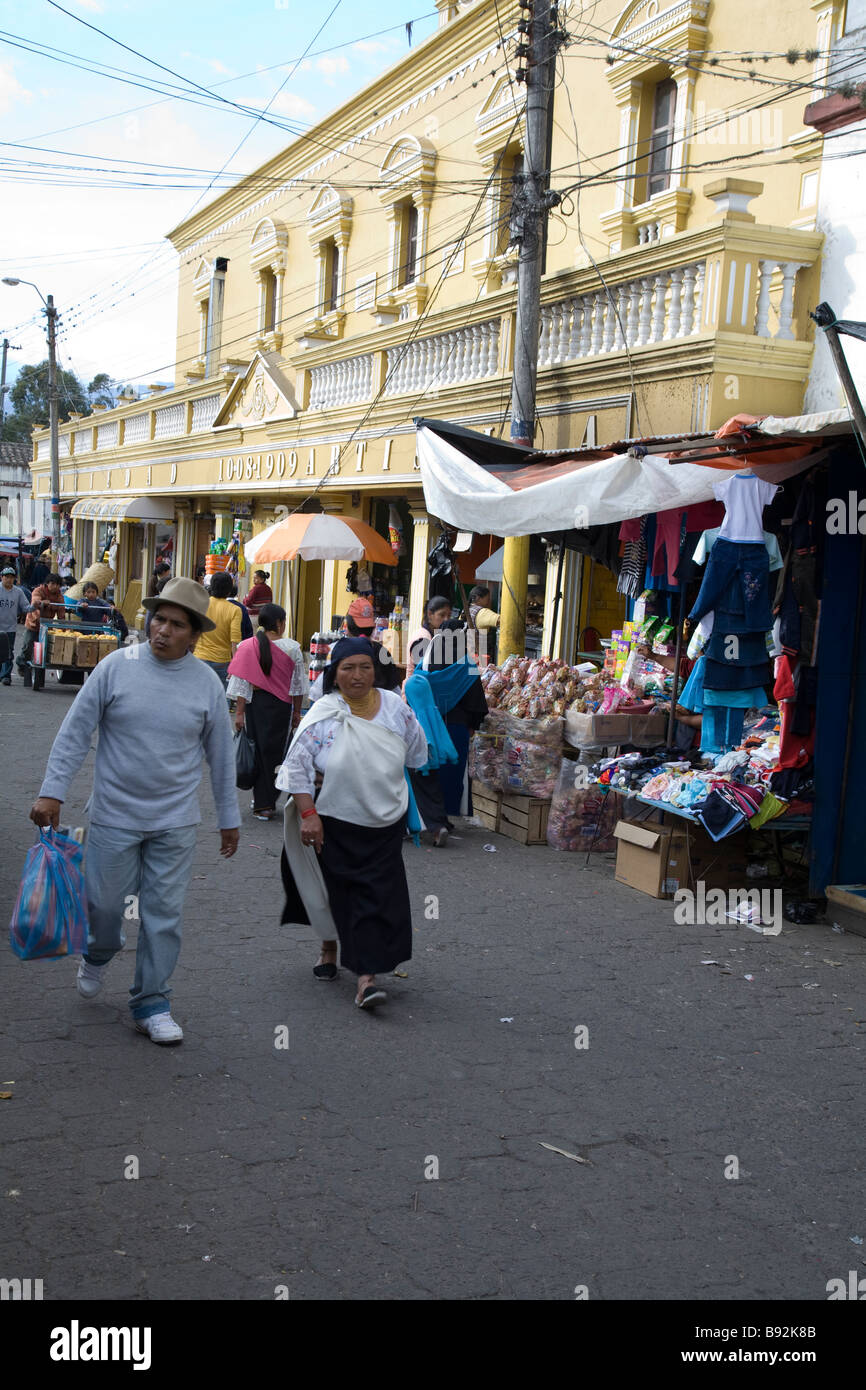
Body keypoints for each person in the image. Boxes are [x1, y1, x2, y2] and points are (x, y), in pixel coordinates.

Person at [29, 577, 240, 1045]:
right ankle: (100, 951)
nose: (163, 630)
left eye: (176, 624)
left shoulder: (207, 683)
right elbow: (74, 732)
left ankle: (152, 1003)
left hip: (175, 821)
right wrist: (52, 792)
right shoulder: (115, 668)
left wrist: (230, 817)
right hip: (113, 815)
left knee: (163, 914)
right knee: (104, 908)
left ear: (195, 633)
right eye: (158, 619)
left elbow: (222, 756)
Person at [276, 636, 427, 1010]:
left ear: (376, 670)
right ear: (334, 674)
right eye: (348, 668)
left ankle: (366, 977)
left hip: (384, 822)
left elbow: (416, 753)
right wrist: (308, 815)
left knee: (377, 899)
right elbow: (295, 767)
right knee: (336, 894)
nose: (357, 675)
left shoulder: (395, 707)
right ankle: (329, 947)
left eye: (365, 667)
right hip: (334, 824)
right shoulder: (324, 714)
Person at [228, 603, 308, 821]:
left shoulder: (247, 646)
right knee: (274, 754)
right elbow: (298, 686)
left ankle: (262, 801)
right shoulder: (292, 648)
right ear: (280, 623)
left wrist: (240, 713)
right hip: (280, 708)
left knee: (257, 752)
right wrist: (296, 712)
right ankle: (266, 802)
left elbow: (242, 683)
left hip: (255, 706)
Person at [405, 623, 487, 832]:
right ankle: (445, 818)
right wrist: (472, 726)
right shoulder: (467, 664)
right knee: (452, 775)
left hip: (428, 728)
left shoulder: (425, 663)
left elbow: (414, 691)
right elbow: (477, 702)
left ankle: (431, 818)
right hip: (457, 729)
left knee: (430, 773)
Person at [306, 595, 403, 702]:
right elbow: (396, 693)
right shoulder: (382, 652)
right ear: (372, 627)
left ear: (348, 625)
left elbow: (317, 695)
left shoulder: (338, 650)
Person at [193, 569, 242, 687]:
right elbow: (234, 639)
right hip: (222, 661)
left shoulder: (201, 604)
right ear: (229, 589)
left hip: (199, 657)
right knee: (222, 700)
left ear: (212, 586)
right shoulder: (234, 610)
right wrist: (234, 665)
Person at [16, 572, 66, 676]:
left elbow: (61, 612)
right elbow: (35, 601)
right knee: (28, 646)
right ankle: (21, 664)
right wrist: (42, 602)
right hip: (33, 623)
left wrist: (63, 629)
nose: (55, 586)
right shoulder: (38, 590)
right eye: (52, 583)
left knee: (44, 648)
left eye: (57, 584)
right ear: (47, 583)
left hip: (47, 626)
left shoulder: (59, 597)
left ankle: (38, 670)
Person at [405, 595, 452, 680]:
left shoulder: (436, 635)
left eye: (449, 616)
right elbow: (425, 670)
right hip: (417, 689)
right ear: (430, 614)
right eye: (442, 615)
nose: (446, 619)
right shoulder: (422, 638)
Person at [0, 566, 29, 684]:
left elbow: (25, 606)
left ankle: (6, 676)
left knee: (8, 652)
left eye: (11, 577)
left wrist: (35, 607)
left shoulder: (18, 592)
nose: (9, 579)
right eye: (6, 577)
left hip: (10, 627)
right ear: (2, 577)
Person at [468, 584, 500, 665]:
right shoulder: (482, 612)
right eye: (487, 598)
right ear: (478, 598)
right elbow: (503, 620)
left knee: (471, 675)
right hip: (480, 656)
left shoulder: (466, 610)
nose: (489, 601)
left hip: (468, 654)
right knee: (480, 676)